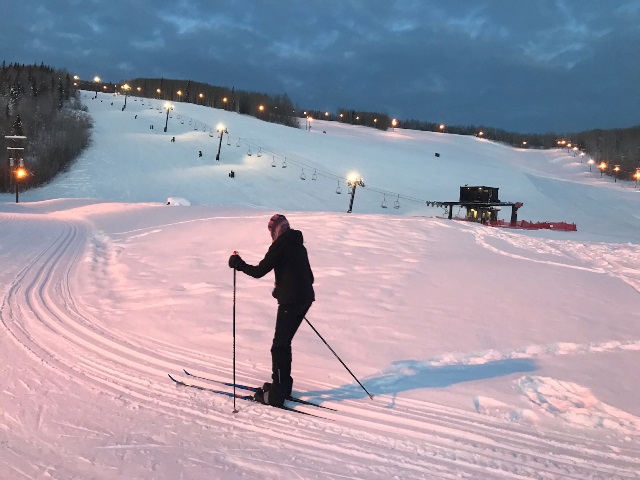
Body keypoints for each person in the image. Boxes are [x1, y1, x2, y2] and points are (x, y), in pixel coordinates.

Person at [228, 214, 315, 407]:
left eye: (271, 231)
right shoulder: (298, 244)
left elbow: (259, 272)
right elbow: (309, 277)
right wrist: (283, 288)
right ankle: (283, 386)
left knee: (279, 347)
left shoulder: (280, 245)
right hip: (304, 299)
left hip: (291, 302)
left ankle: (277, 395)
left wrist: (238, 263)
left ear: (276, 231)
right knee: (284, 343)